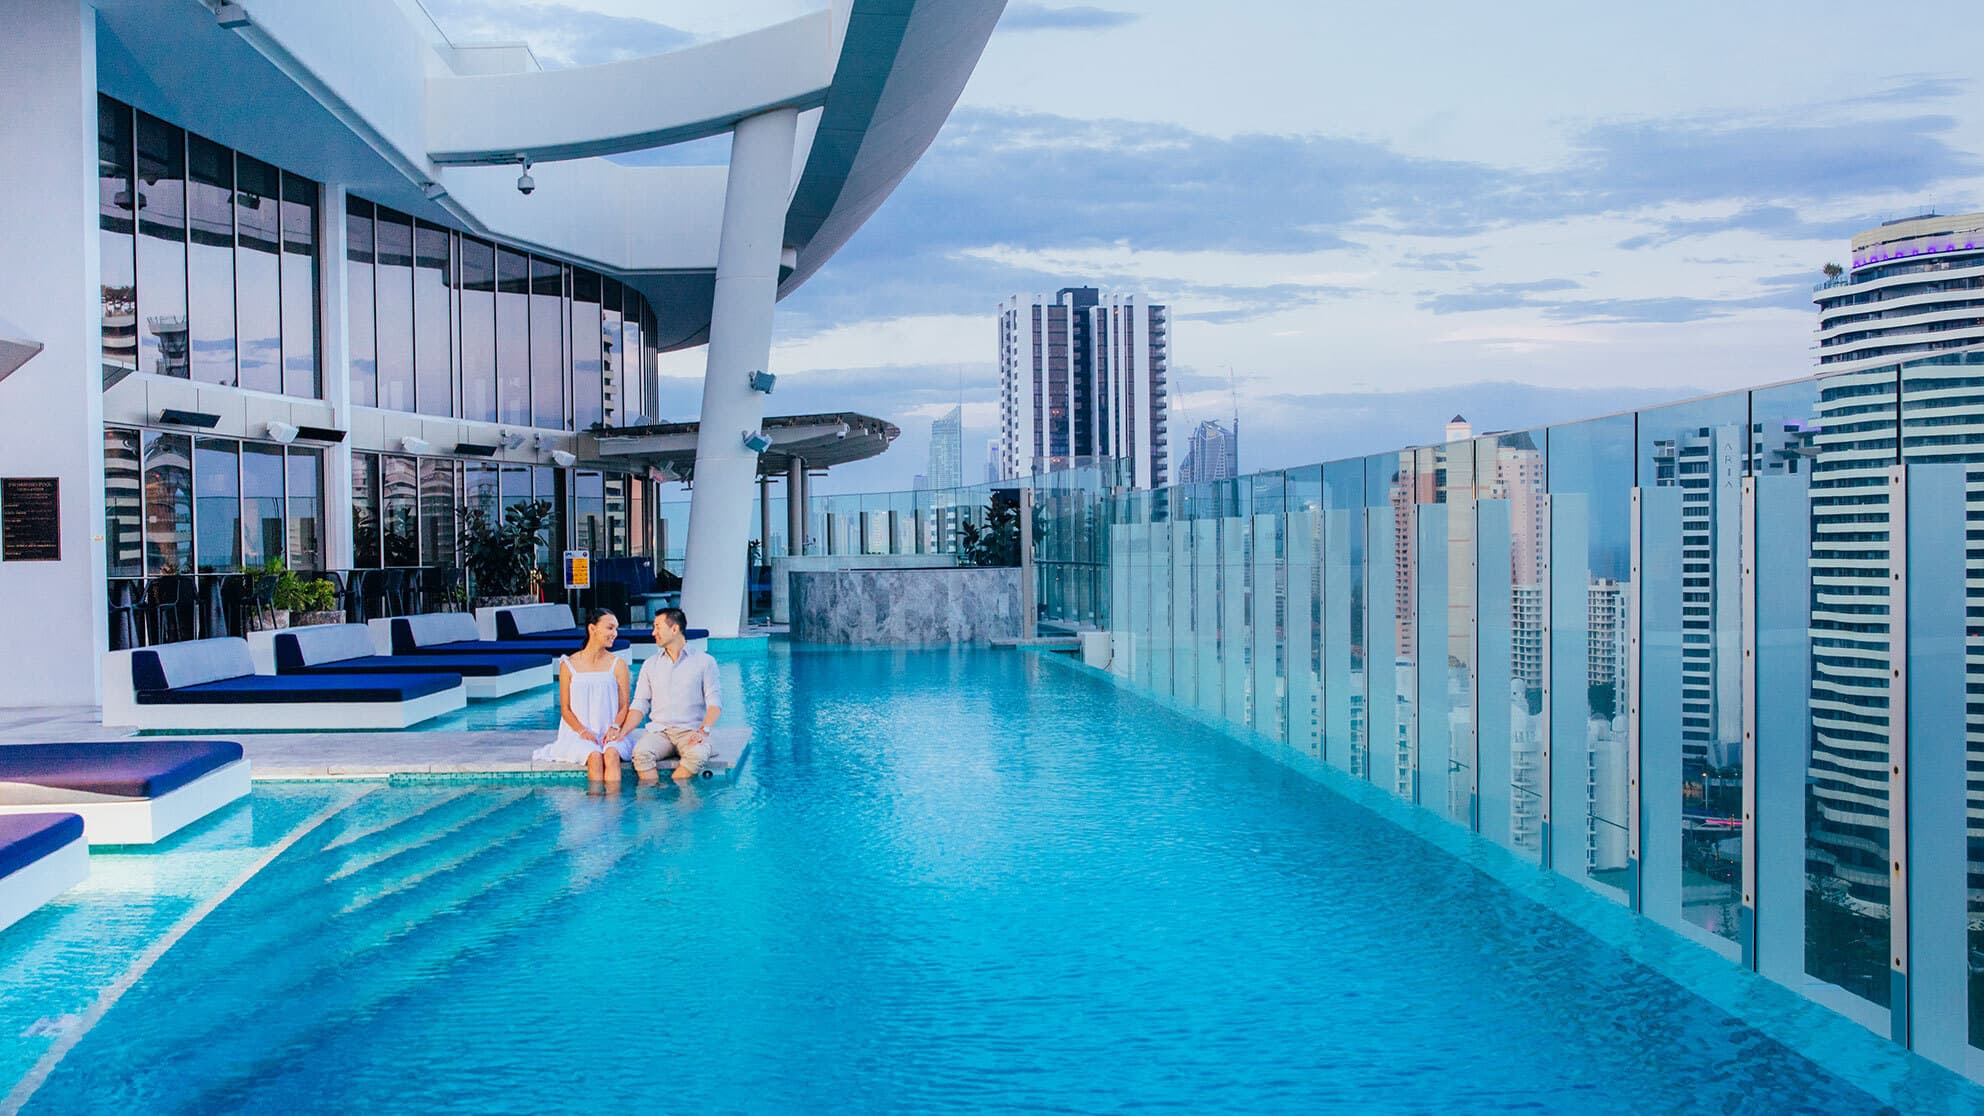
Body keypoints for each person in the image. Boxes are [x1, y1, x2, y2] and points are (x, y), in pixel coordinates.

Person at [618, 607, 722, 783]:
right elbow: (640, 703)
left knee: (697, 755)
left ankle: (675, 795)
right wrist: (622, 732)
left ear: (674, 629)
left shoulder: (705, 662)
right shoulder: (650, 664)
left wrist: (704, 731)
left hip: (691, 731)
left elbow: (715, 703)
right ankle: (652, 795)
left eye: (658, 627)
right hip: (660, 732)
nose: (653, 633)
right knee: (641, 754)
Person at [531, 608, 633, 784]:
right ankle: (594, 801)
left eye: (616, 629)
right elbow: (565, 709)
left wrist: (615, 727)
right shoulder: (568, 665)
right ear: (592, 628)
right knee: (594, 756)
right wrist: (582, 731)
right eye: (610, 628)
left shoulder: (618, 665)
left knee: (611, 754)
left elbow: (624, 706)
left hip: (611, 732)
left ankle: (614, 801)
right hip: (577, 734)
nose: (615, 634)